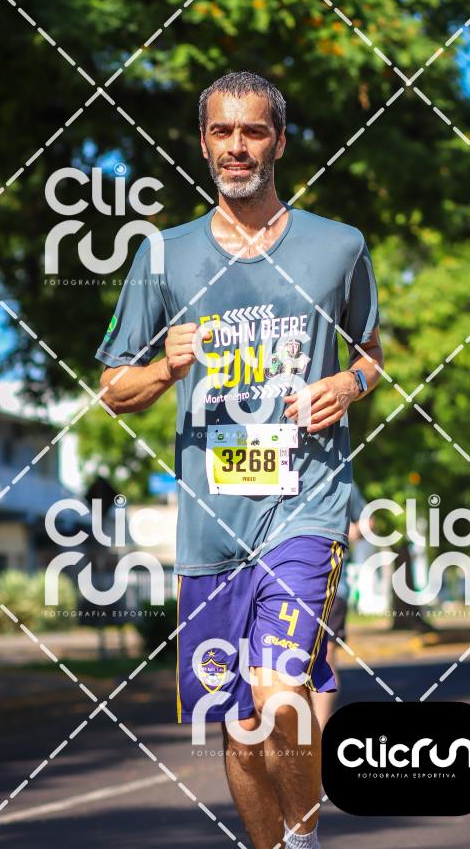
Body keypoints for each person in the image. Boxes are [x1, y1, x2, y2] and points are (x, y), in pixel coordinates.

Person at [96, 71, 383, 849]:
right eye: (221, 132)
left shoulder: (339, 246)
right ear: (203, 143)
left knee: (281, 690)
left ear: (279, 142)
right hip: (211, 526)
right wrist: (165, 369)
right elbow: (113, 389)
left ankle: (304, 840)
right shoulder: (163, 255)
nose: (237, 146)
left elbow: (371, 356)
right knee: (242, 723)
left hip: (306, 507)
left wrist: (347, 385)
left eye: (253, 131)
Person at [311, 481, 370, 729]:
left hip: (333, 586)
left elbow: (367, 522)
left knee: (324, 657)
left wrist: (350, 530)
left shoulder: (341, 480)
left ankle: (319, 734)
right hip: (284, 587)